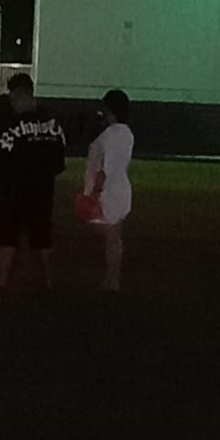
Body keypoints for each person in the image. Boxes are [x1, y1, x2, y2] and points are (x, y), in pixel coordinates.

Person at [0, 73, 66, 290]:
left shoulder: (12, 127)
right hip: (43, 189)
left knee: (7, 234)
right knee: (42, 236)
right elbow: (59, 161)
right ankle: (47, 280)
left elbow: (1, 159)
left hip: (14, 190)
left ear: (18, 98)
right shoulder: (53, 126)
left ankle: (1, 281)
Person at [83, 89, 134, 291]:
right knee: (114, 236)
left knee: (110, 236)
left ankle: (112, 279)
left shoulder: (110, 135)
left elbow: (105, 166)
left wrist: (94, 190)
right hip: (122, 186)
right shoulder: (127, 133)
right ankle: (112, 277)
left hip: (109, 188)